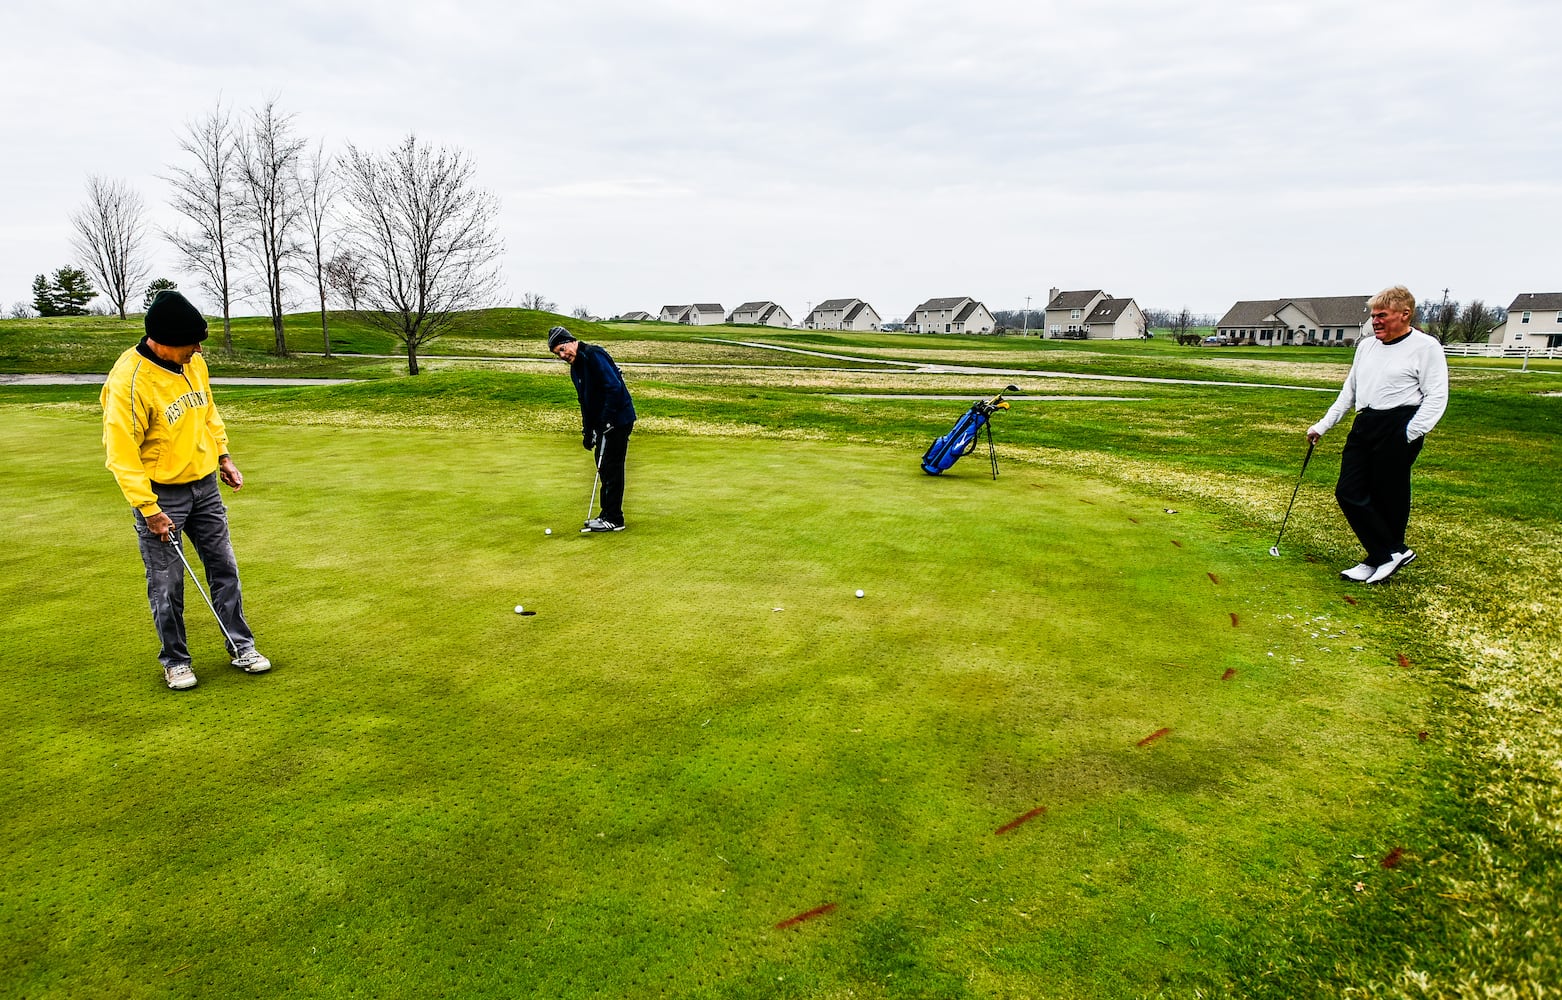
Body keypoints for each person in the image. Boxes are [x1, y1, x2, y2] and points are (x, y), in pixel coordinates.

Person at [100, 289, 271, 690]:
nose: (197, 349)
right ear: (163, 339)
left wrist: (223, 455)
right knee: (167, 582)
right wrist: (148, 509)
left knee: (224, 568)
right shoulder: (129, 383)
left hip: (205, 486)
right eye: (191, 343)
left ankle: (241, 645)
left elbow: (207, 409)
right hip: (162, 496)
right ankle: (175, 660)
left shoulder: (193, 363)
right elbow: (121, 456)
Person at [1307, 285, 1448, 584]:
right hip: (1365, 422)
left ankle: (1379, 557)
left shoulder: (1426, 347)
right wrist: (1323, 425)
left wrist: (1409, 433)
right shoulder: (1366, 347)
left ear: (1404, 314)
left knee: (1387, 496)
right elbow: (1350, 392)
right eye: (1373, 316)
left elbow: (1437, 397)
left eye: (1382, 315)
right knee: (1348, 491)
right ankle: (1390, 553)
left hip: (1399, 424)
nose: (1376, 321)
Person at [547, 325, 636, 532]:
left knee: (611, 467)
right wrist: (588, 431)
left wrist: (606, 420)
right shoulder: (575, 367)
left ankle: (615, 519)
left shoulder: (594, 355)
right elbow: (584, 402)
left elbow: (614, 388)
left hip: (619, 419)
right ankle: (607, 514)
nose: (562, 355)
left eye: (561, 349)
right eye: (557, 353)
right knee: (602, 465)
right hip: (603, 422)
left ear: (570, 341)